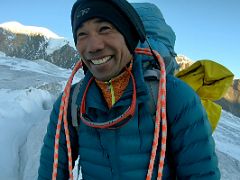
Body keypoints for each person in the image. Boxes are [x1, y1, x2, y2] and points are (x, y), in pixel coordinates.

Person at [38, 0, 220, 179]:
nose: (94, 46)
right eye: (82, 34)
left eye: (105, 29)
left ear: (129, 36)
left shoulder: (174, 96)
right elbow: (51, 172)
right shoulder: (71, 102)